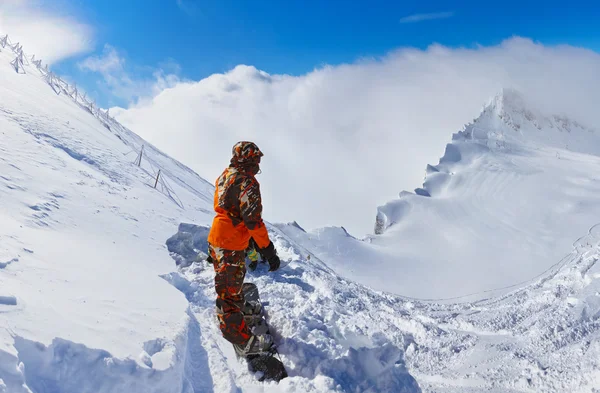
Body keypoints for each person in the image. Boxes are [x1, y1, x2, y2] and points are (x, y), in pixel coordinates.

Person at [207, 141, 281, 355]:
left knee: (232, 280)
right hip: (230, 242)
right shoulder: (247, 183)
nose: (258, 164)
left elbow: (224, 207)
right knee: (227, 294)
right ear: (248, 159)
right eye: (256, 159)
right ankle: (243, 341)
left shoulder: (225, 174)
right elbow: (254, 221)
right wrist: (267, 249)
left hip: (218, 238)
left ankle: (238, 310)